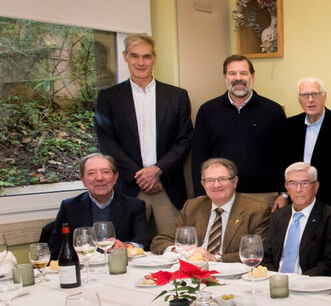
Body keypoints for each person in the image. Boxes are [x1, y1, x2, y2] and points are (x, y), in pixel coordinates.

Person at [94, 33, 192, 236]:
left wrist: (157, 170)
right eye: (134, 56)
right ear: (125, 57)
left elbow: (184, 139)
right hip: (130, 186)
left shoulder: (177, 96)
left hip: (167, 186)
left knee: (175, 249)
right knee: (128, 248)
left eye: (146, 56)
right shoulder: (109, 97)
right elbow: (106, 142)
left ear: (154, 58)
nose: (141, 62)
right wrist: (140, 175)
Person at [191, 55, 287, 211]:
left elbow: (284, 154)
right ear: (225, 77)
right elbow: (199, 155)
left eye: (243, 73)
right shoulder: (207, 111)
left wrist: (284, 194)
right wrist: (201, 194)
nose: (238, 78)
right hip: (220, 193)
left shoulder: (272, 111)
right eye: (232, 73)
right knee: (223, 236)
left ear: (252, 77)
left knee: (261, 237)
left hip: (264, 196)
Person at [150, 158, 269, 262]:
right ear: (203, 184)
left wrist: (214, 258)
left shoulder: (257, 210)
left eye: (222, 179)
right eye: (210, 180)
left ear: (235, 181)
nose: (216, 185)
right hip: (193, 271)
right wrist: (181, 250)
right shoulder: (192, 206)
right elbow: (160, 240)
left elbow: (255, 252)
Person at [49, 154, 149, 257]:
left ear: (115, 177)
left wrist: (126, 246)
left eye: (105, 172)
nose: (99, 178)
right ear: (83, 180)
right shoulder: (69, 207)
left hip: (120, 266)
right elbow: (56, 249)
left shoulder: (134, 206)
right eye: (91, 173)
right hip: (84, 268)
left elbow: (142, 241)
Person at [285, 77, 331, 211]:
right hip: (297, 202)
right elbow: (283, 163)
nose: (310, 100)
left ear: (324, 96)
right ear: (299, 99)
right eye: (305, 95)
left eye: (315, 94)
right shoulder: (289, 126)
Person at [261, 162, 331, 276]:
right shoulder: (278, 216)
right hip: (277, 283)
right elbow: (266, 255)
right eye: (292, 183)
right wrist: (276, 279)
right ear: (286, 187)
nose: (298, 189)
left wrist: (298, 282)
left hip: (310, 285)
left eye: (305, 183)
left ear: (316, 187)